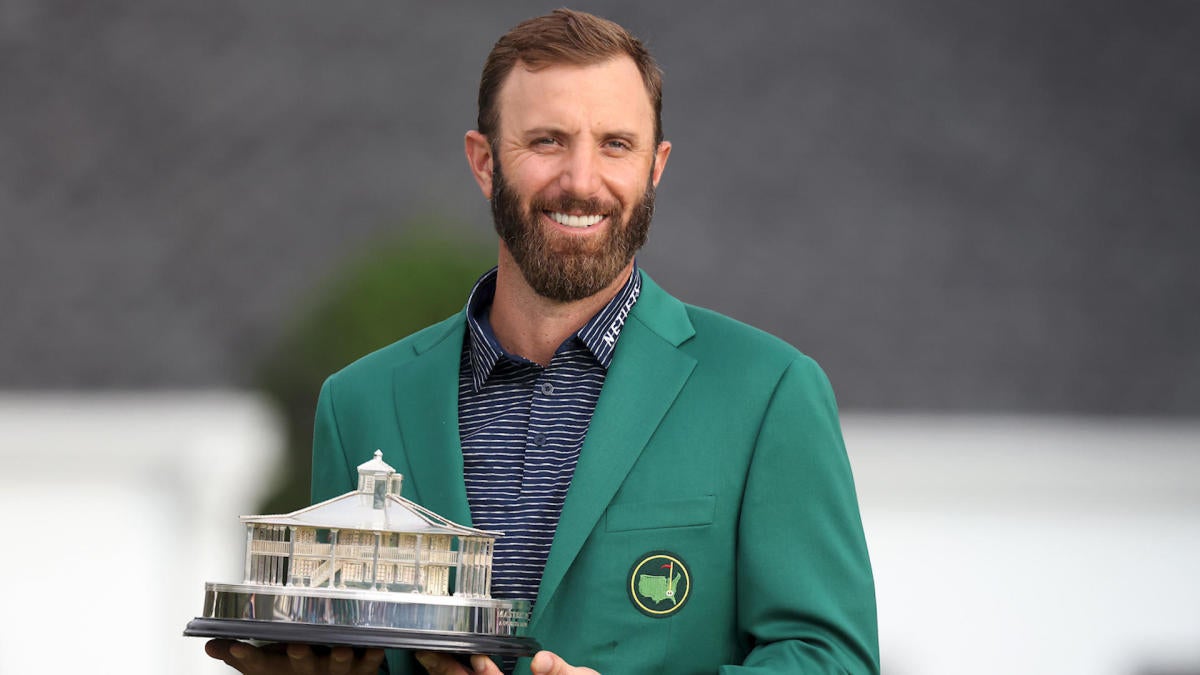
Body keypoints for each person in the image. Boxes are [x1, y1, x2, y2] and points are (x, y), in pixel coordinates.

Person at [206, 8, 878, 675]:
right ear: (484, 161)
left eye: (616, 144)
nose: (582, 181)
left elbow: (833, 661)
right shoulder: (358, 403)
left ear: (655, 166)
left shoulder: (767, 392)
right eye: (548, 141)